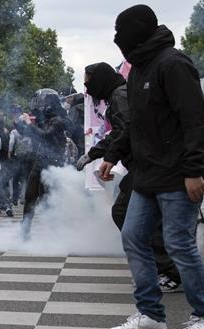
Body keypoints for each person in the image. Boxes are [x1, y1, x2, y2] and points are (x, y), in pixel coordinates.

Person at [99, 4, 204, 329]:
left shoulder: (173, 64)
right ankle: (151, 315)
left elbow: (196, 121)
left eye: (120, 31)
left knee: (178, 245)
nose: (116, 38)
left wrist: (195, 170)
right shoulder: (138, 69)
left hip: (178, 174)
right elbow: (137, 125)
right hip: (148, 174)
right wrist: (113, 155)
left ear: (137, 32)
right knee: (134, 237)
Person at [76, 62, 182, 293]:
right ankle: (161, 267)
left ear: (101, 80)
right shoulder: (119, 95)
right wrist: (93, 153)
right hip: (144, 165)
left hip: (147, 165)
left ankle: (167, 270)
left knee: (130, 214)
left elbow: (128, 130)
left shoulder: (120, 96)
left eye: (88, 83)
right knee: (136, 216)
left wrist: (109, 157)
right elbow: (119, 133)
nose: (86, 89)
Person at [18, 89, 68, 237]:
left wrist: (29, 123)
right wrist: (19, 123)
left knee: (48, 198)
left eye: (43, 102)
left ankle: (56, 233)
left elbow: (45, 136)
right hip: (40, 160)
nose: (40, 105)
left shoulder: (58, 120)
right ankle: (25, 230)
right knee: (30, 196)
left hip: (52, 163)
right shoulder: (45, 119)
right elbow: (32, 135)